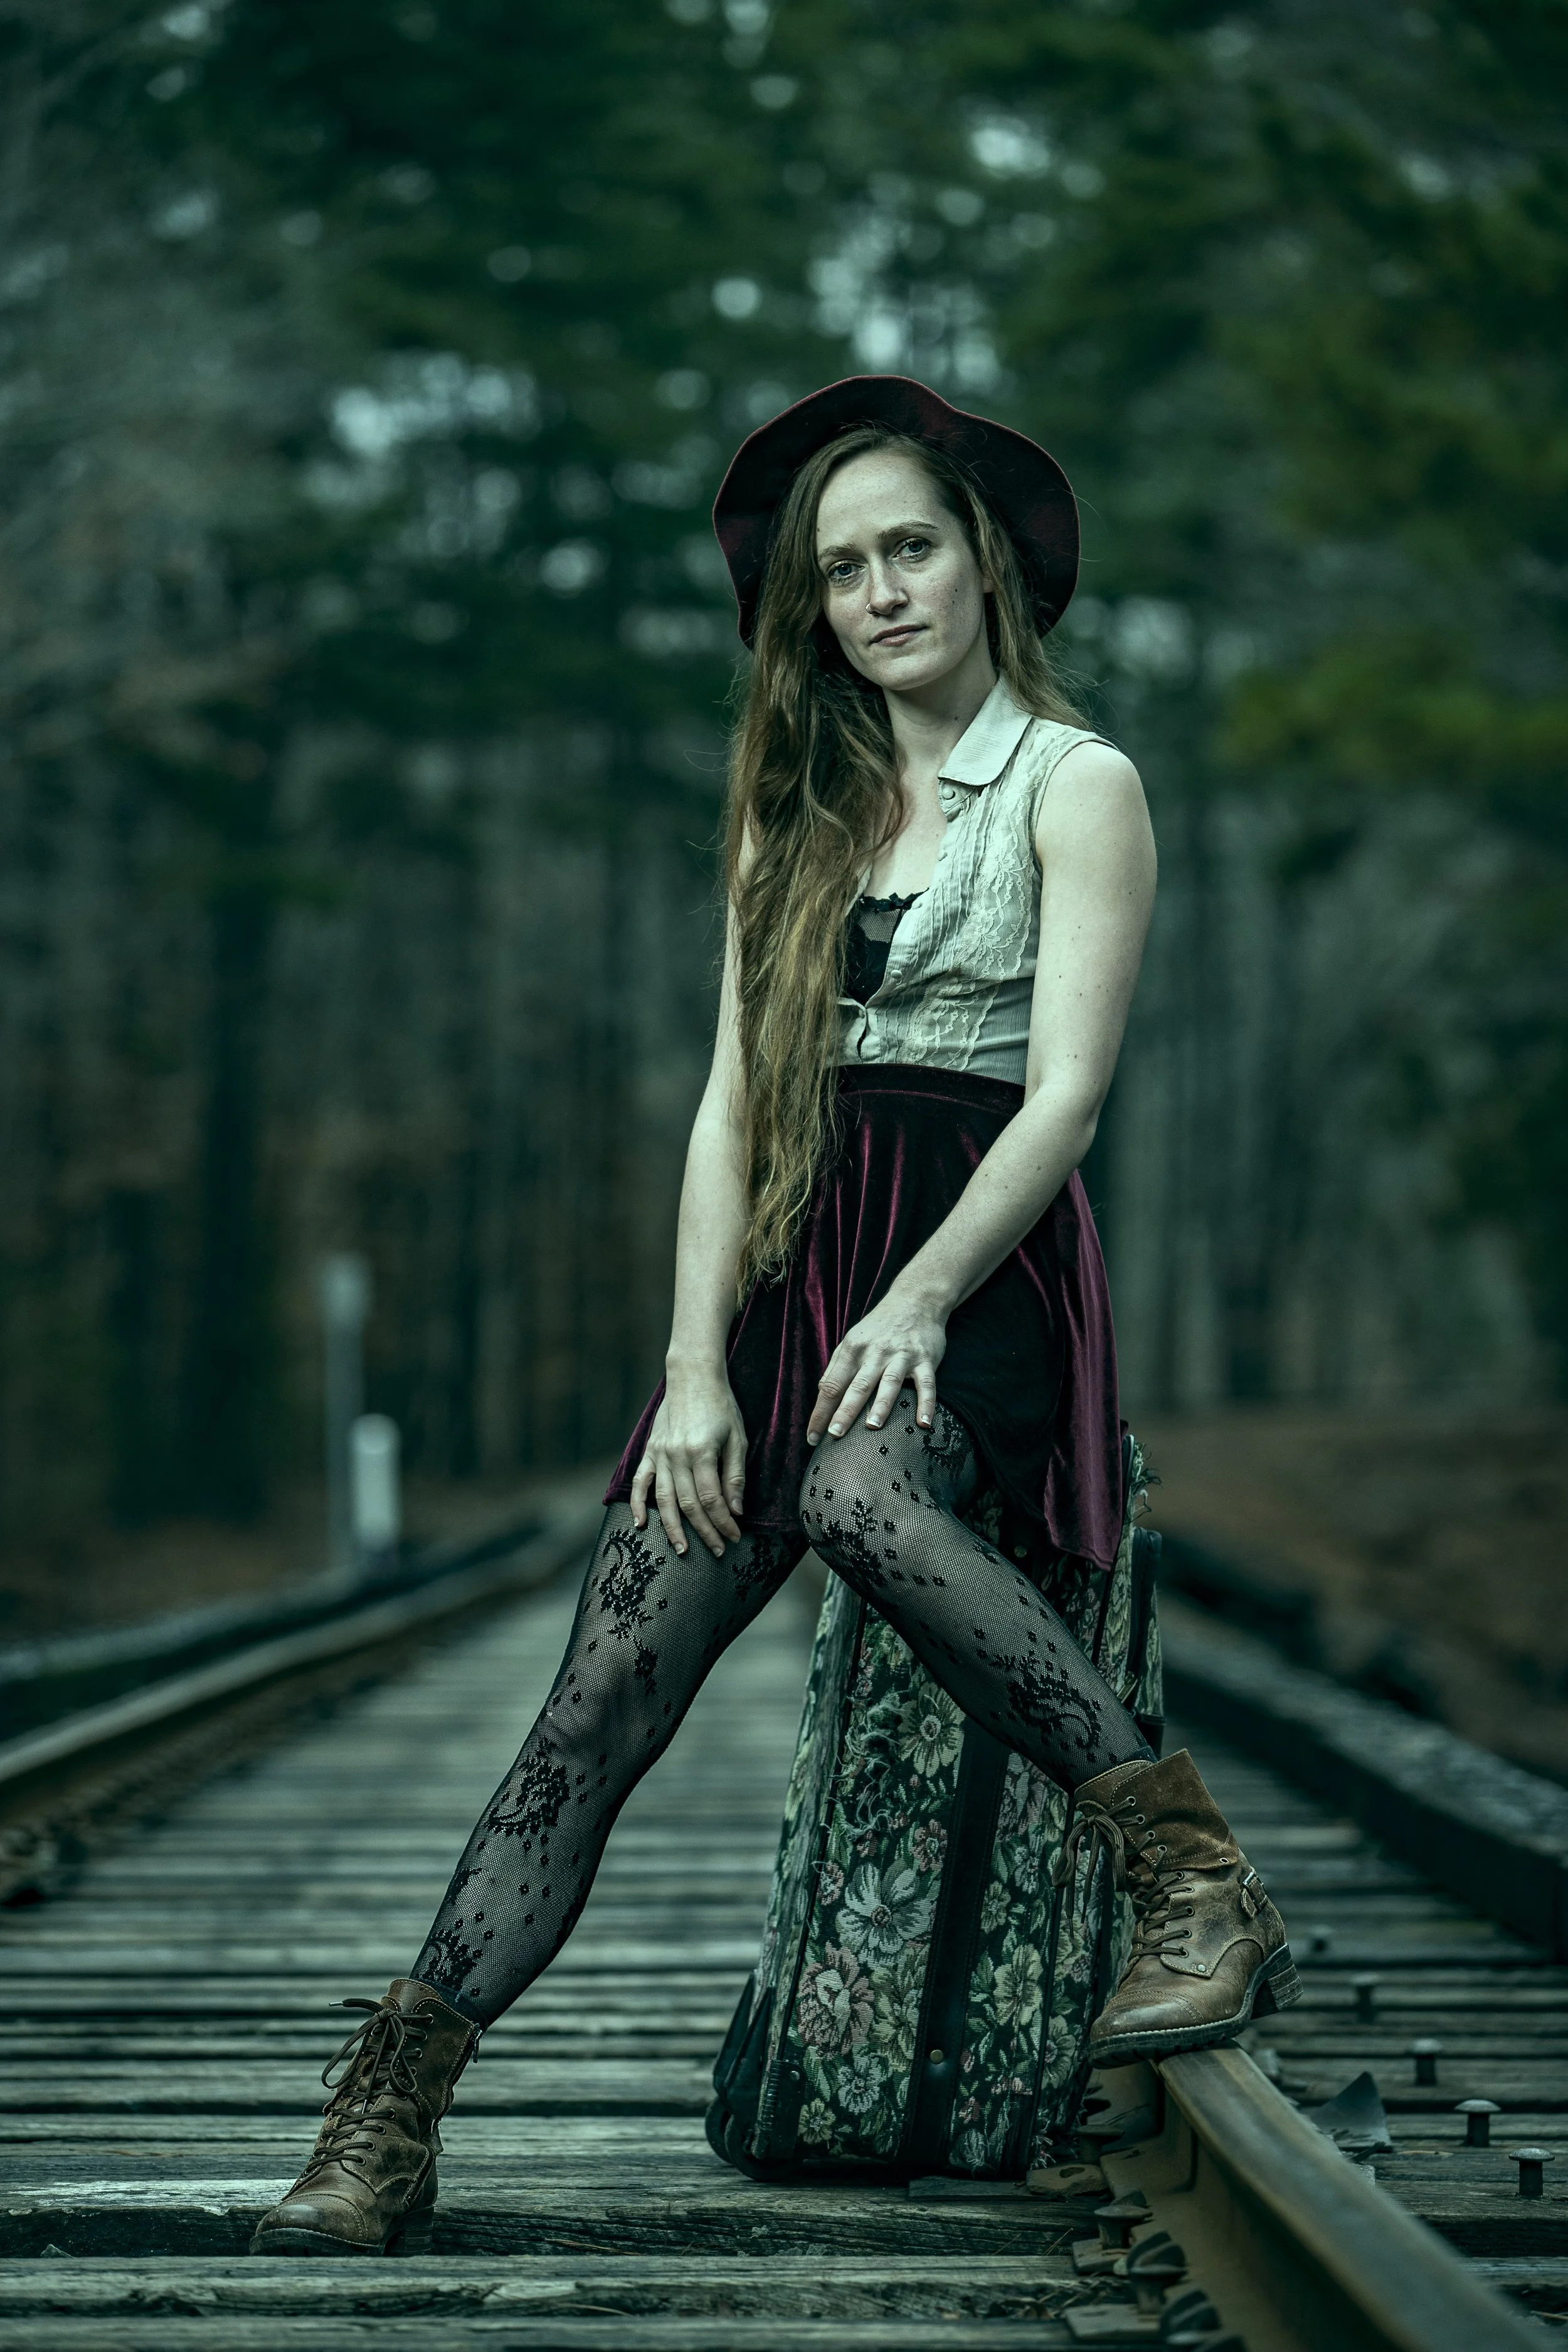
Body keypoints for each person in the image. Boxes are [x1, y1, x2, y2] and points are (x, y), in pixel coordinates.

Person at [252, 376, 1296, 2259]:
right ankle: (390, 2108)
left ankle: (1188, 1868)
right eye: (841, 569)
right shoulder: (795, 809)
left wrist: (911, 1297)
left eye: (908, 547)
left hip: (971, 1260)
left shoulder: (1079, 783)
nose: (880, 590)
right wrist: (686, 1374)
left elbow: (1063, 1096)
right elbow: (729, 1109)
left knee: (867, 1496)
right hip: (784, 1259)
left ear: (981, 559)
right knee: (600, 1695)